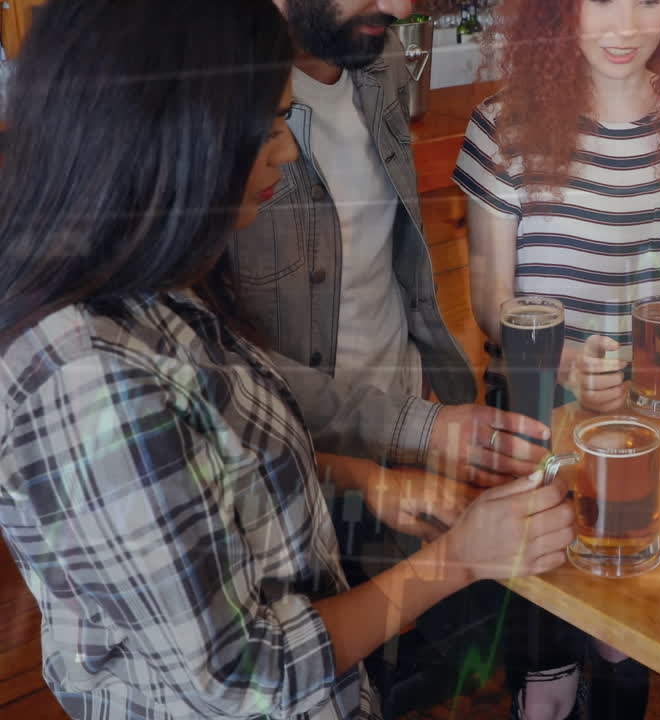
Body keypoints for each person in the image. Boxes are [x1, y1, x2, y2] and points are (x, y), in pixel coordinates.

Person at [0, 2, 576, 718]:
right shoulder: (91, 384)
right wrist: (460, 558)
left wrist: (368, 479)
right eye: (268, 125)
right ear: (174, 135)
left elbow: (216, 465)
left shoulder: (159, 292)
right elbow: (250, 676)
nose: (286, 150)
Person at [452, 1, 660, 718]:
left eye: (648, 0)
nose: (624, 27)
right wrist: (563, 362)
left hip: (650, 439)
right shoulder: (503, 128)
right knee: (547, 659)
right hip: (535, 426)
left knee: (627, 643)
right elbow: (492, 296)